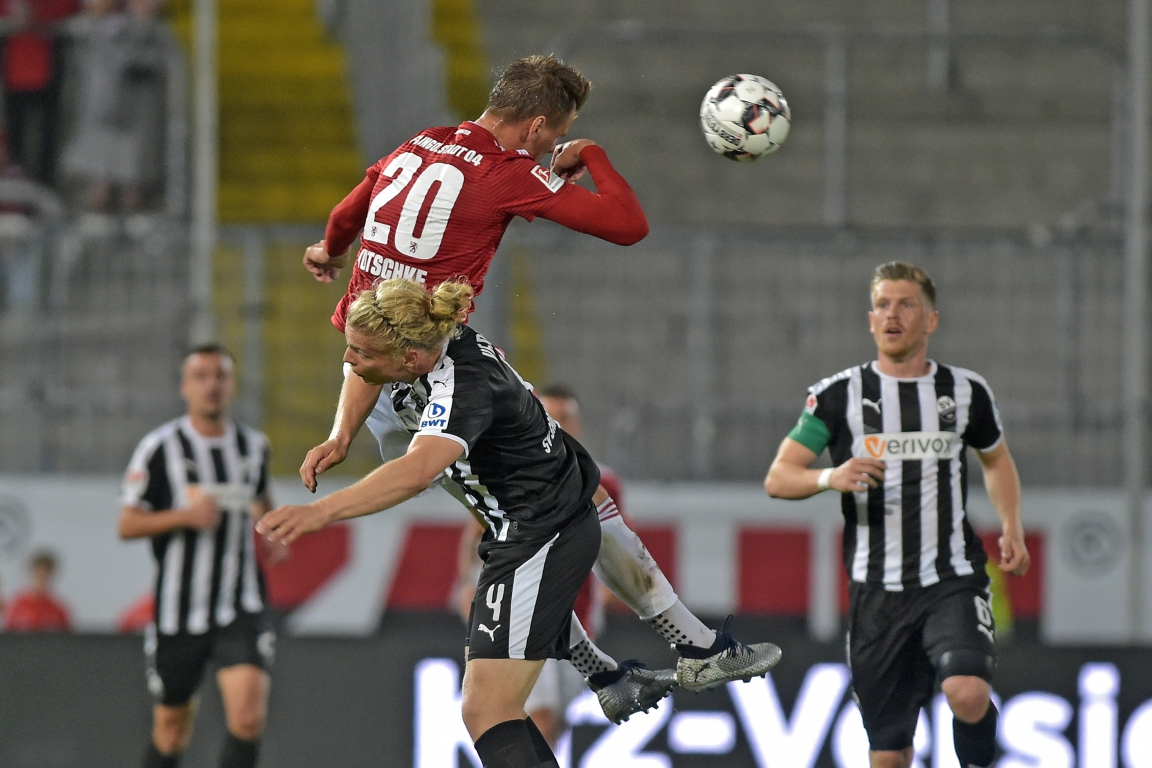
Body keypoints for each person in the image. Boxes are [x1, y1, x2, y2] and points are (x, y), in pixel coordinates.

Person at [299, 54, 780, 719]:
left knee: (521, 517)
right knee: (566, 493)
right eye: (557, 135)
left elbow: (349, 209)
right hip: (434, 372)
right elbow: (627, 224)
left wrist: (328, 249)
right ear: (536, 125)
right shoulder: (506, 172)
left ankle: (606, 672)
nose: (556, 147)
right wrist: (596, 157)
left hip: (370, 366)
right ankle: (691, 647)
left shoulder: (419, 144)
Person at [256, 279, 603, 768]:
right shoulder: (424, 344)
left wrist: (319, 512)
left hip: (542, 531)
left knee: (493, 708)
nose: (350, 361)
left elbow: (416, 471)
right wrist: (341, 435)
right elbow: (370, 365)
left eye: (362, 352)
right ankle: (608, 673)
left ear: (410, 361)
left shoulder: (463, 385)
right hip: (520, 533)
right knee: (491, 709)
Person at [764, 262, 1030, 768]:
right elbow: (780, 477)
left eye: (906, 304)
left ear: (930, 320)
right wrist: (829, 476)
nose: (893, 314)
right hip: (875, 595)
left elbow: (996, 459)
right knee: (889, 754)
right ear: (870, 320)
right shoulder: (838, 397)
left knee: (968, 693)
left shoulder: (965, 391)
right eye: (883, 304)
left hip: (951, 578)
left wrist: (1011, 527)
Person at [118, 344, 284, 768]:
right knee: (172, 731)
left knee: (248, 718)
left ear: (231, 385)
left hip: (240, 605)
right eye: (202, 376)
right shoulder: (160, 448)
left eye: (220, 375)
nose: (212, 384)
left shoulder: (253, 448)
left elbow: (262, 503)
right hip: (179, 611)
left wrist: (273, 535)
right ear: (185, 387)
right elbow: (128, 523)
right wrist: (183, 516)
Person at [454, 383, 629, 740]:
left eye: (566, 418)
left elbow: (614, 542)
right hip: (525, 608)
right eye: (551, 417)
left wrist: (613, 587)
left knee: (551, 724)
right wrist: (468, 583)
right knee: (538, 715)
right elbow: (476, 530)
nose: (559, 426)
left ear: (577, 424)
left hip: (578, 619)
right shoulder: (513, 470)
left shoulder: (601, 479)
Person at [4, 549, 72, 631]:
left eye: (45, 574)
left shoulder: (58, 609)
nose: (41, 578)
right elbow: (9, 636)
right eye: (39, 573)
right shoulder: (18, 606)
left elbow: (67, 638)